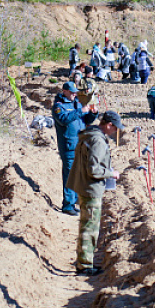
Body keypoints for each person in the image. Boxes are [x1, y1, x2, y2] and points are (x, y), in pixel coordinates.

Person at [69, 111, 123, 275]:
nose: (115, 131)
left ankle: (83, 261)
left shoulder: (89, 134)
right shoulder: (98, 140)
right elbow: (94, 169)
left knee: (86, 224)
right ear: (108, 125)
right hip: (91, 188)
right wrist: (111, 174)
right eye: (115, 128)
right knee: (90, 227)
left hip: (84, 185)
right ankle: (84, 265)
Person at [52, 82, 98, 216]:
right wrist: (80, 111)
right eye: (71, 92)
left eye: (75, 92)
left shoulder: (77, 103)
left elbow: (86, 120)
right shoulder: (58, 107)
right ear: (64, 91)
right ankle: (67, 205)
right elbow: (64, 120)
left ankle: (75, 201)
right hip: (68, 146)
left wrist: (93, 113)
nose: (74, 94)